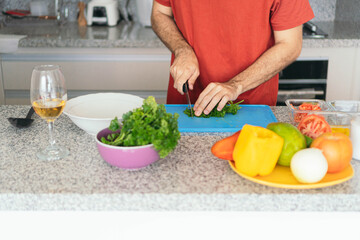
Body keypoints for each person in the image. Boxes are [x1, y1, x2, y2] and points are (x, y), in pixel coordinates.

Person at [151, 0, 314, 116]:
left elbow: (290, 45)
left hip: (250, 106)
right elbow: (160, 13)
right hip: (186, 103)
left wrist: (235, 85)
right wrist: (182, 49)